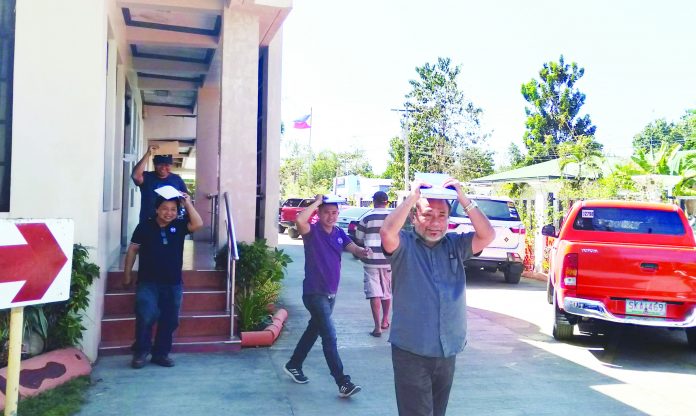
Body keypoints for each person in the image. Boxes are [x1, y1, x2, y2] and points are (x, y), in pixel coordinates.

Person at [380, 178, 495, 416]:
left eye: (442, 215)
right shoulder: (404, 245)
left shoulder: (455, 245)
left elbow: (487, 235)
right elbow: (387, 231)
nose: (435, 223)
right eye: (428, 215)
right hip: (412, 351)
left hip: (447, 350)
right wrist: (412, 197)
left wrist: (463, 198)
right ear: (414, 218)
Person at [284, 194, 371, 398]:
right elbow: (299, 220)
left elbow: (354, 249)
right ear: (319, 213)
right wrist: (315, 202)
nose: (331, 216)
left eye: (334, 213)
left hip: (331, 294)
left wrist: (363, 251)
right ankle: (343, 382)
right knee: (329, 336)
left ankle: (294, 364)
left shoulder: (339, 233)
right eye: (326, 212)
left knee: (313, 331)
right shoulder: (311, 232)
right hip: (315, 293)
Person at [123, 193, 203, 369]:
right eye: (165, 208)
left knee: (170, 319)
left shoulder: (180, 225)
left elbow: (198, 224)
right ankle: (140, 352)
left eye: (173, 209)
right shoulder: (144, 227)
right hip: (148, 281)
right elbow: (132, 250)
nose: (169, 213)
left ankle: (161, 354)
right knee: (146, 315)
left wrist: (187, 203)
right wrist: (127, 275)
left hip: (173, 282)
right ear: (157, 209)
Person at [354, 190, 393, 337]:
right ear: (386, 202)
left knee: (374, 293)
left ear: (373, 201)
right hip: (389, 260)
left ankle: (377, 327)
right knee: (386, 292)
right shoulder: (392, 217)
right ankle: (385, 320)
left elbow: (358, 237)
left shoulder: (366, 217)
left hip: (370, 260)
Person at [131, 144, 188, 223]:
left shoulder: (177, 179)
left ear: (171, 165)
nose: (163, 168)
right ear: (154, 164)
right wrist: (148, 154)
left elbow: (185, 200)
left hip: (171, 222)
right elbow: (135, 176)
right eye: (160, 164)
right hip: (148, 222)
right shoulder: (147, 177)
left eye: (167, 165)